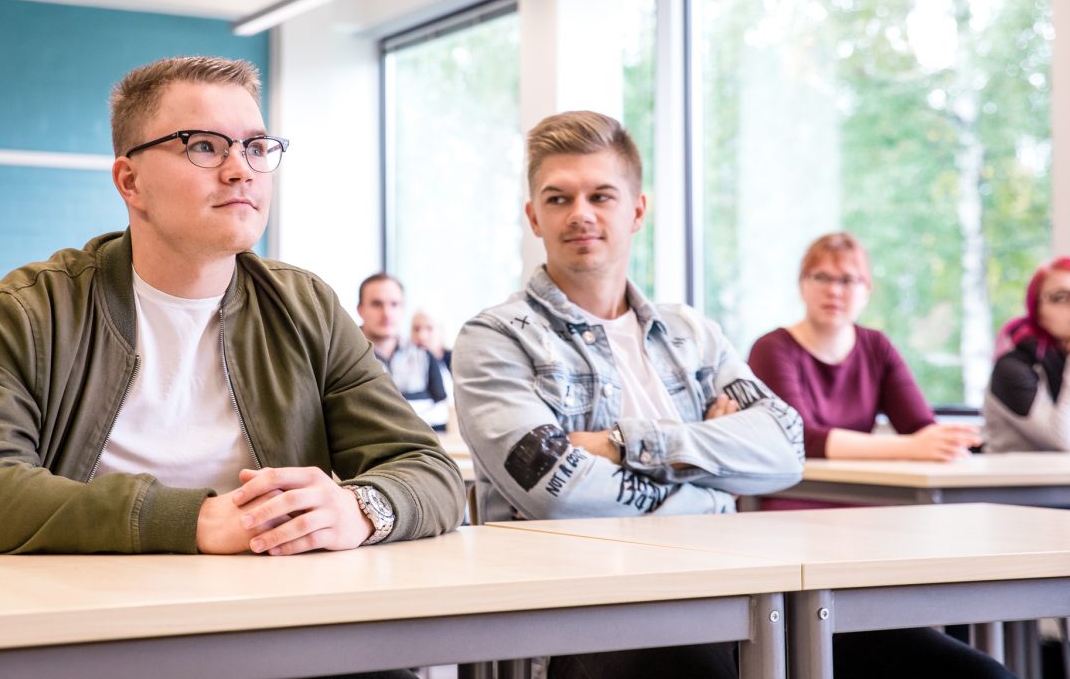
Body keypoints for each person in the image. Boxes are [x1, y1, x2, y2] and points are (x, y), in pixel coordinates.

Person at [453, 111, 1011, 679]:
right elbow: (559, 492)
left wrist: (624, 444)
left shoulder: (691, 334)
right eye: (557, 198)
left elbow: (784, 449)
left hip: (736, 589)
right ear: (533, 216)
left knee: (971, 673)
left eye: (601, 195)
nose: (581, 214)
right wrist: (711, 488)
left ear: (637, 210)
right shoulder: (495, 338)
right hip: (586, 612)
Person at [0, 56, 464, 563]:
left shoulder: (306, 308)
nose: (240, 170)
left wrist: (360, 510)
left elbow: (428, 469)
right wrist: (194, 520)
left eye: (255, 147)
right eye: (204, 146)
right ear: (130, 182)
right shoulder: (30, 311)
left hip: (286, 617)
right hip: (91, 622)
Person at [748, 232, 982, 470]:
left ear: (866, 290)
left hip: (868, 488)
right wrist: (911, 447)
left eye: (847, 280)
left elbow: (920, 428)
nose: (834, 291)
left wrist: (947, 443)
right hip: (796, 491)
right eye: (821, 277)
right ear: (802, 285)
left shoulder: (877, 347)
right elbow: (800, 438)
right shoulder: (771, 349)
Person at [982, 256, 1070, 452]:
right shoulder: (1011, 368)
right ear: (1037, 309)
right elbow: (1064, 440)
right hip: (1013, 480)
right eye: (1061, 297)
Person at [357, 274, 449, 430]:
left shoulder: (423, 355)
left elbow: (442, 409)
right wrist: (419, 401)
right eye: (376, 304)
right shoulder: (346, 356)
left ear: (403, 309)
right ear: (360, 310)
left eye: (394, 304)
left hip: (419, 448)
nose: (386, 313)